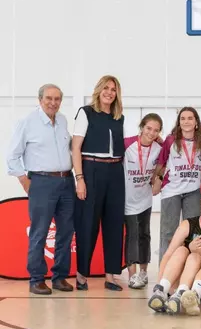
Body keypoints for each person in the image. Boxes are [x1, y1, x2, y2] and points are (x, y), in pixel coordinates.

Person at [6, 84, 75, 294]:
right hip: (41, 182)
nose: (53, 103)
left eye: (57, 99)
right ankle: (36, 279)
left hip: (66, 181)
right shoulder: (27, 123)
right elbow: (12, 156)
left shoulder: (62, 120)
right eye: (49, 98)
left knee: (66, 232)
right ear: (40, 99)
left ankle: (59, 277)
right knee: (40, 232)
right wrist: (24, 181)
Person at [72, 75, 126, 291]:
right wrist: (80, 179)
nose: (109, 92)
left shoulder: (119, 117)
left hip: (115, 171)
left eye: (113, 89)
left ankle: (110, 275)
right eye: (106, 88)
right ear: (98, 90)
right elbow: (75, 148)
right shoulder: (86, 113)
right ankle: (81, 274)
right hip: (91, 169)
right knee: (88, 223)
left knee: (114, 224)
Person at [147, 185, 201, 314]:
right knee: (181, 251)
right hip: (187, 279)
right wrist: (159, 283)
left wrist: (192, 249)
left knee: (194, 255)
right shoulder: (188, 224)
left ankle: (181, 293)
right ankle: (162, 290)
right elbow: (168, 255)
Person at [152, 107, 201, 263]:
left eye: (190, 118)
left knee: (193, 233)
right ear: (179, 122)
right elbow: (162, 163)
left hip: (193, 191)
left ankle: (188, 267)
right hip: (171, 191)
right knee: (168, 232)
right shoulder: (171, 140)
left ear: (196, 122)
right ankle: (164, 270)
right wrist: (157, 181)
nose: (186, 121)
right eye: (183, 118)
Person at [123, 113, 164, 289]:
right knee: (132, 234)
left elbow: (166, 157)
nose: (151, 133)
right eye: (148, 128)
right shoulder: (127, 144)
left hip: (145, 198)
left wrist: (157, 178)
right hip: (127, 198)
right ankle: (132, 275)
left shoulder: (159, 148)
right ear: (141, 127)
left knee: (145, 234)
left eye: (156, 130)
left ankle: (144, 272)